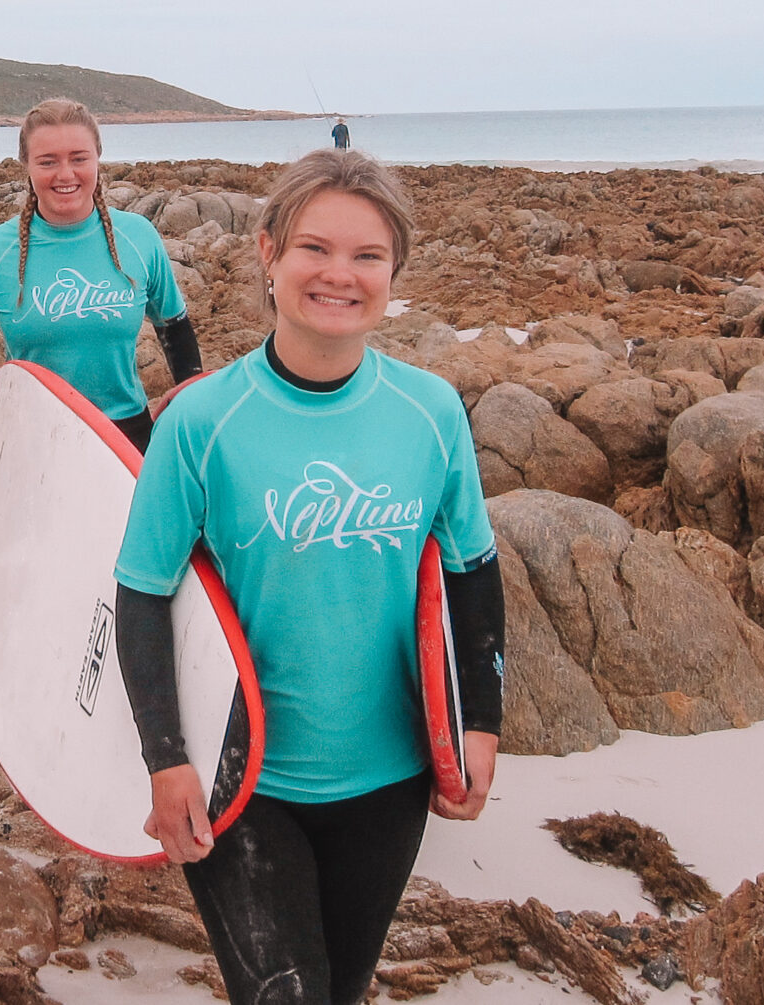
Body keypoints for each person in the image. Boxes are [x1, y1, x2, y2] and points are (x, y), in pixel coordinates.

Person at [112, 148, 505, 1005]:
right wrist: (166, 758)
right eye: (315, 249)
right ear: (268, 254)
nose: (340, 274)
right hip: (242, 778)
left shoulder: (430, 412)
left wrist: (481, 721)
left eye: (368, 255)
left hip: (390, 777)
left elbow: (473, 569)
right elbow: (140, 590)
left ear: (394, 271)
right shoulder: (204, 422)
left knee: (342, 988)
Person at [0, 98, 204, 460]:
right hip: (27, 439)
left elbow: (175, 325)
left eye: (79, 158)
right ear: (27, 165)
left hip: (125, 434)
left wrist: (190, 400)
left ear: (98, 158)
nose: (66, 174)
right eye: (48, 161)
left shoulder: (138, 237)